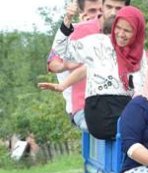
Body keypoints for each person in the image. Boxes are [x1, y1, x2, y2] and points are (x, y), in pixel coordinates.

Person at [51, 4, 146, 140]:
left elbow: (143, 85)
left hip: (124, 111)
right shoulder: (96, 46)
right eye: (117, 30)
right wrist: (67, 20)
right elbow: (60, 50)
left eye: (127, 31)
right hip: (101, 114)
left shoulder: (137, 57)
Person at [40, 0, 104, 131]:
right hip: (82, 108)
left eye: (100, 12)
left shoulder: (106, 35)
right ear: (80, 15)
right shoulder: (69, 34)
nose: (95, 18)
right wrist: (66, 65)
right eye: (91, 12)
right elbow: (53, 63)